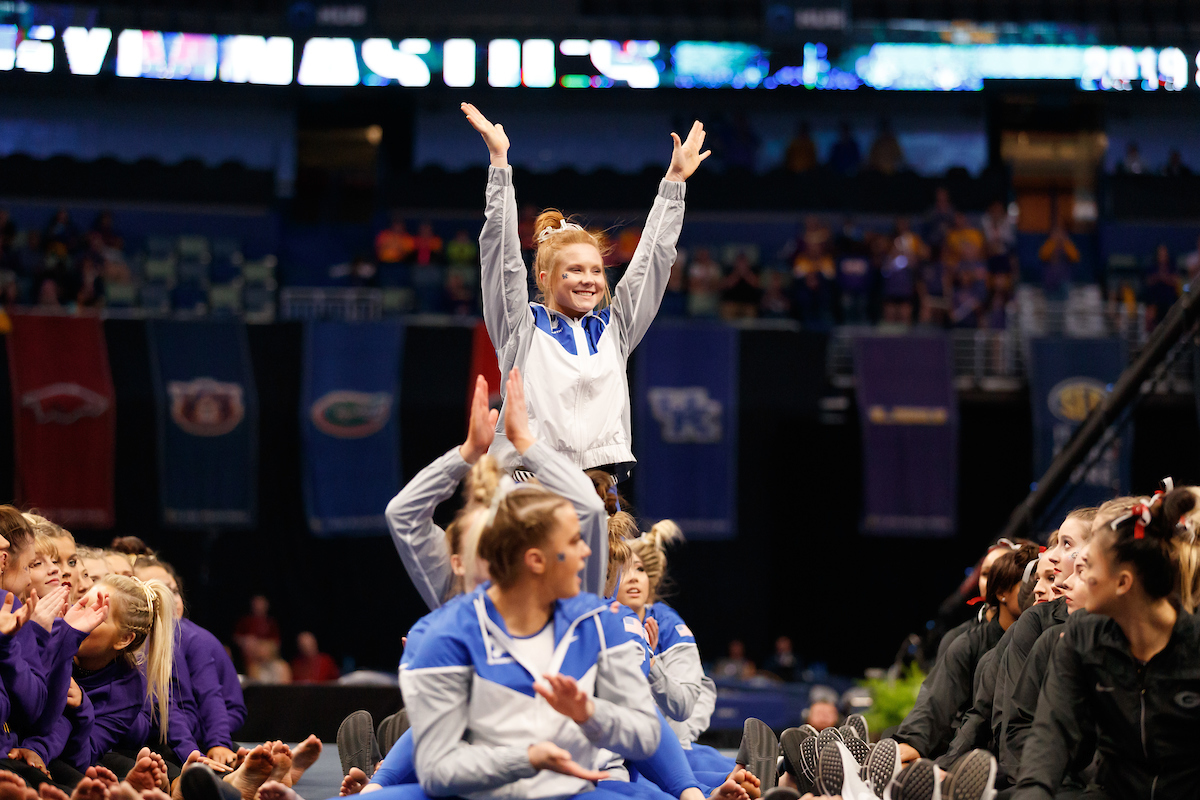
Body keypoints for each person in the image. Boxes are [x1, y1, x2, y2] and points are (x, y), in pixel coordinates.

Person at [463, 102, 708, 480]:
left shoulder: (616, 327)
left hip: (598, 480)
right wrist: (499, 163)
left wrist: (674, 183)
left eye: (596, 270)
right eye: (574, 270)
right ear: (544, 278)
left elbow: (654, 260)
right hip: (528, 481)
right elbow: (499, 256)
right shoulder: (521, 326)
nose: (589, 279)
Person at [398, 449, 662, 800]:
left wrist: (588, 713)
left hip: (580, 788)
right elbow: (437, 770)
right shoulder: (443, 632)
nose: (587, 552)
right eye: (573, 541)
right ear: (535, 560)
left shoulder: (595, 620)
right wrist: (528, 759)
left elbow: (647, 734)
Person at [1013, 487, 1200, 800]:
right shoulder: (1081, 638)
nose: (1073, 577)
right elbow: (1052, 733)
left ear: (1123, 583)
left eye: (1088, 567)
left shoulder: (1194, 647)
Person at [1036, 218, 1079, 299]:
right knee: (1050, 307)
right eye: (1056, 232)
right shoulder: (1049, 244)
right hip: (1049, 281)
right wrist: (1053, 241)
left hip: (1064, 281)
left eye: (1060, 232)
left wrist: (1065, 241)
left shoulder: (1067, 245)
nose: (1059, 234)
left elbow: (1075, 257)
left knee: (1063, 306)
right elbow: (1043, 255)